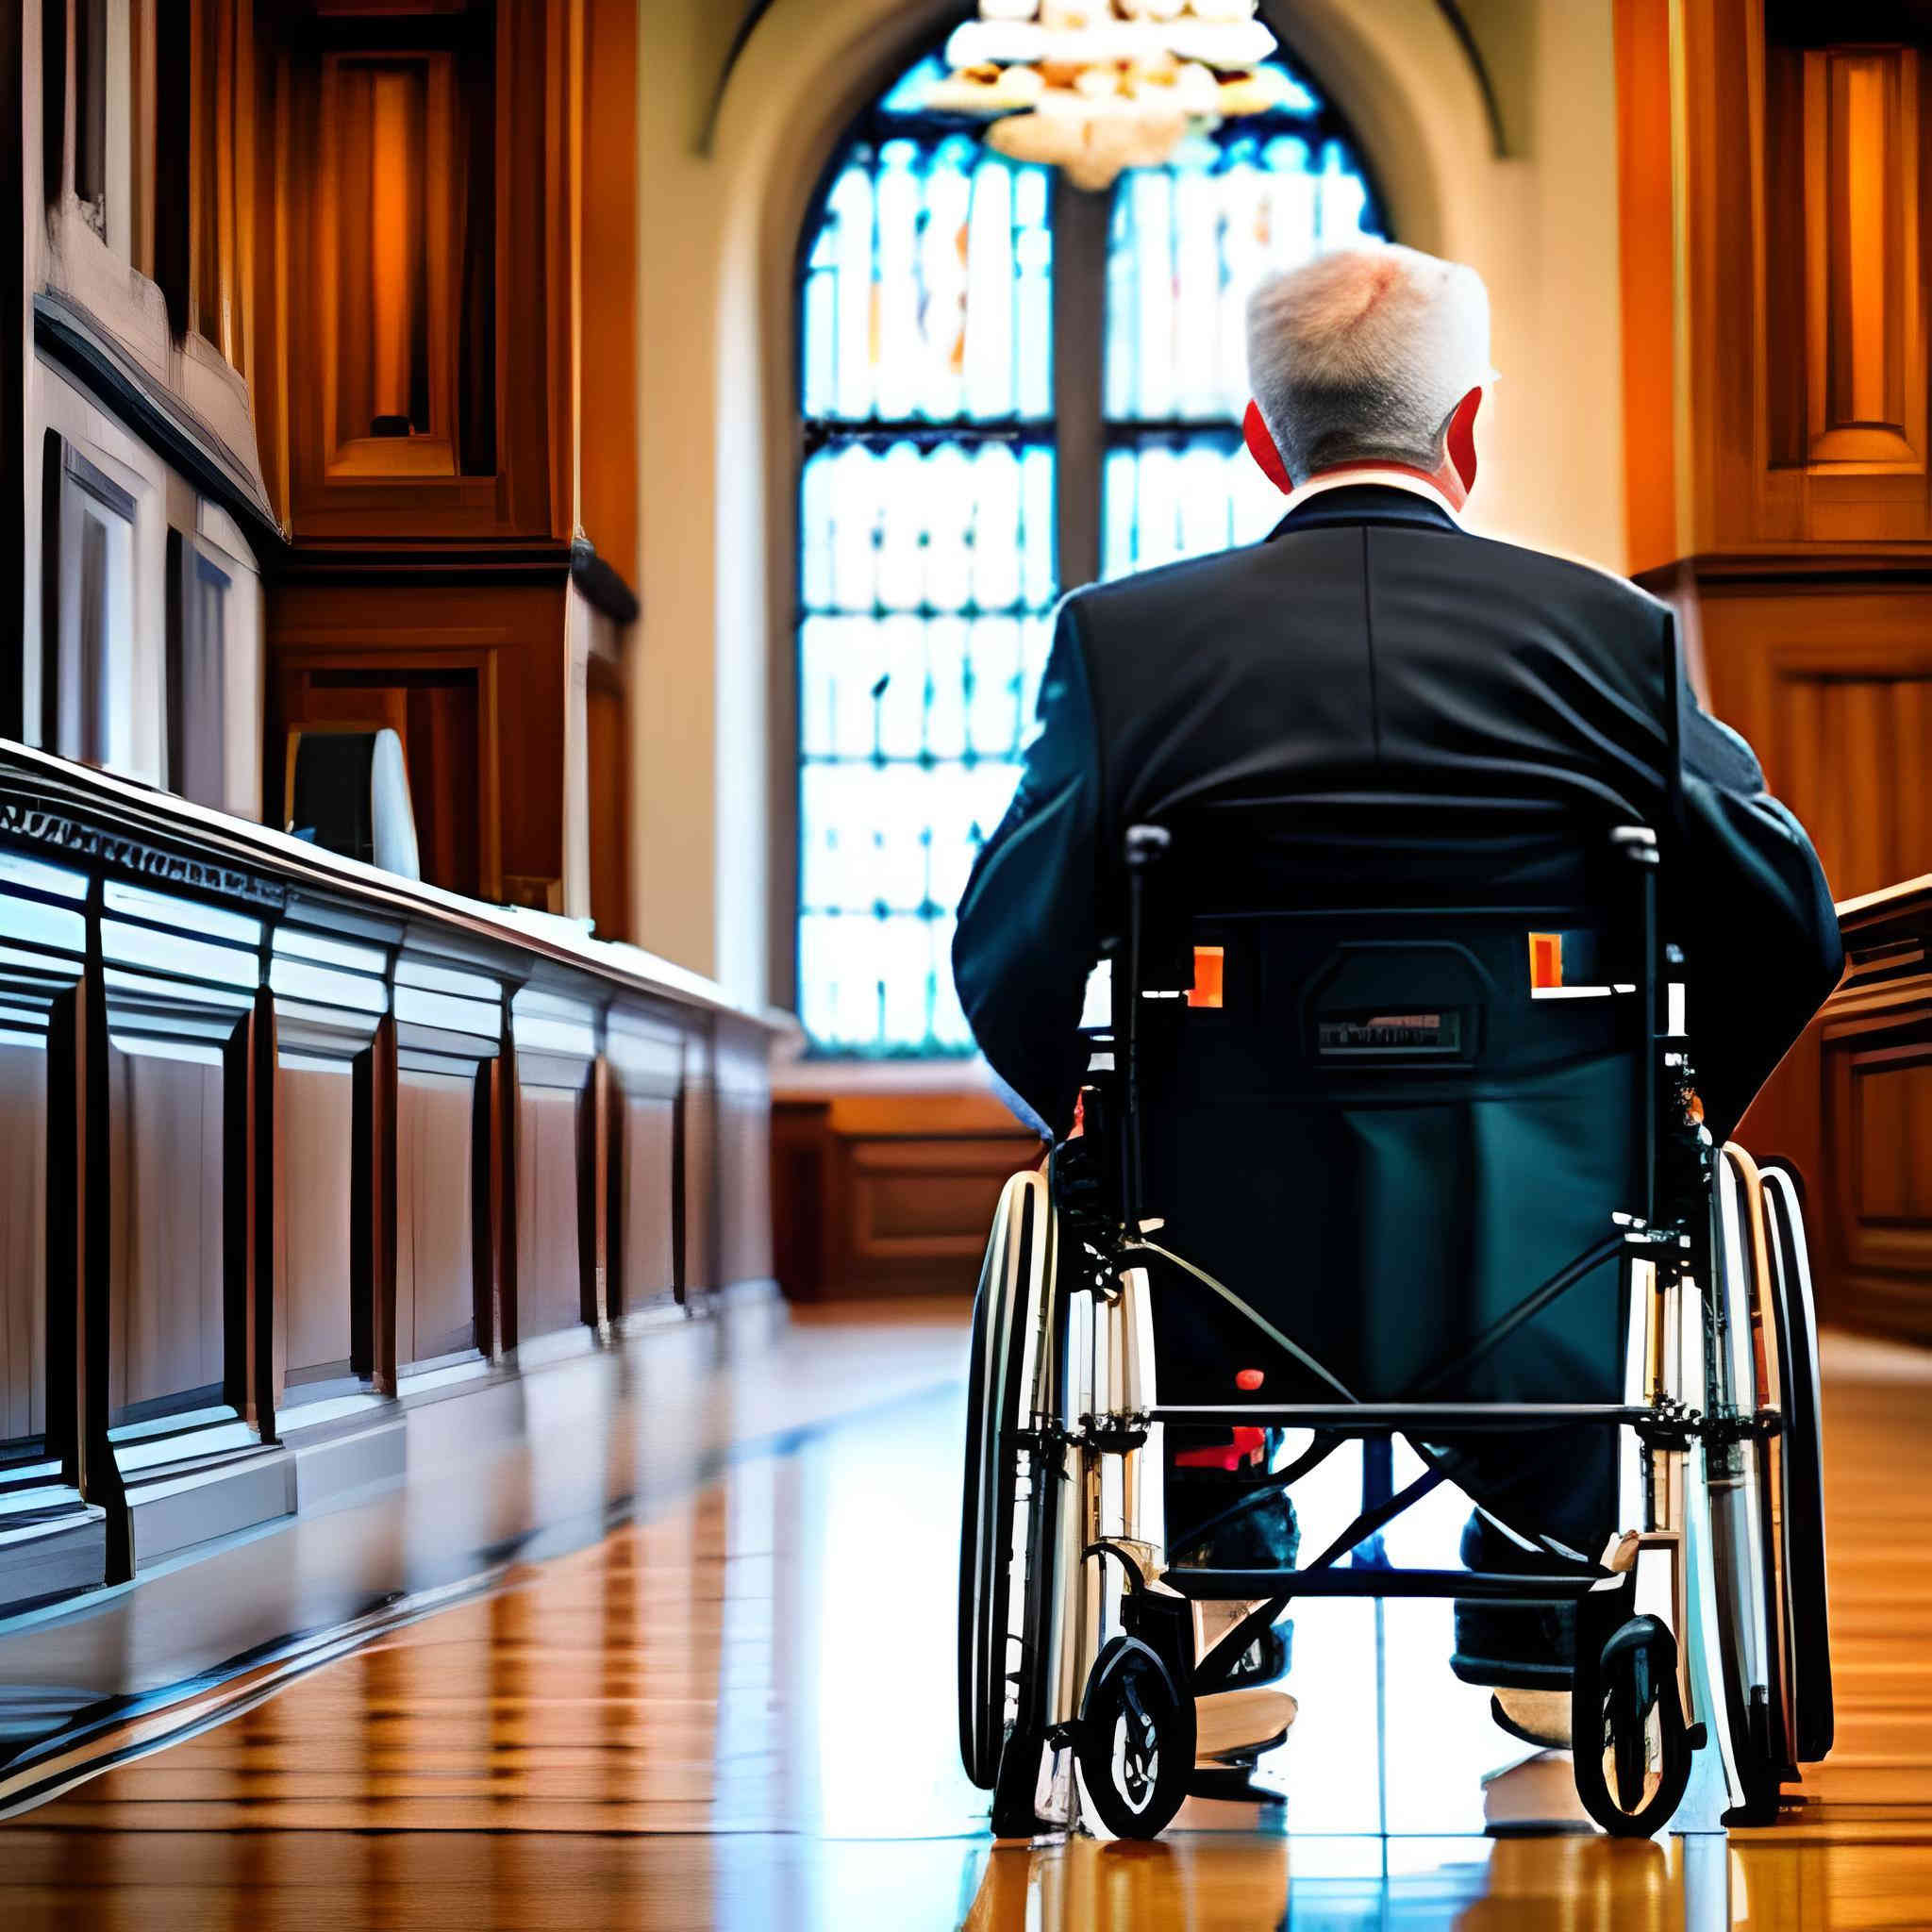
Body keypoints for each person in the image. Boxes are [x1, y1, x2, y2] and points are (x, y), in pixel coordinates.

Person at [950, 242, 1842, 1746]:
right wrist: (1676, 1119)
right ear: (1468, 429)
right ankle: (1541, 1598)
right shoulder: (1609, 639)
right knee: (1577, 1229)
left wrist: (1091, 1120)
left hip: (1226, 1221)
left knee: (1172, 1227)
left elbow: (1003, 947)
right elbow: (1786, 925)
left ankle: (1219, 1579)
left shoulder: (1125, 643)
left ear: (1260, 436)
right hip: (1546, 1214)